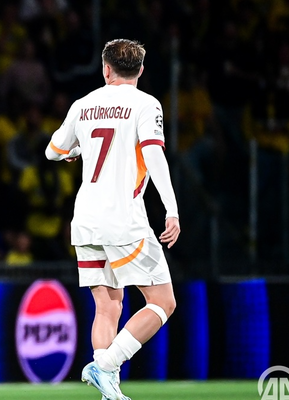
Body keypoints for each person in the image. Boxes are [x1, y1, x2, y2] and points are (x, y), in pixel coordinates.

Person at [45, 39, 179, 400]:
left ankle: (109, 390)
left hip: (85, 220)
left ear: (106, 69)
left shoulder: (83, 104)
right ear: (141, 70)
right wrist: (171, 208)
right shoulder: (146, 104)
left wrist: (76, 150)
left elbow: (52, 151)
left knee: (108, 306)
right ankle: (104, 366)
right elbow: (154, 157)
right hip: (123, 220)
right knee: (163, 302)